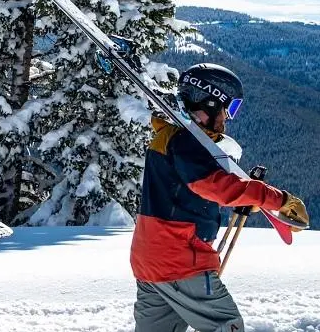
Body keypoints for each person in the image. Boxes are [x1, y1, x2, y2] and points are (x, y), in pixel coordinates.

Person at [131, 63, 309, 332]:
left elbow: (186, 193)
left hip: (149, 260)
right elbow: (216, 187)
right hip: (179, 261)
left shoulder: (170, 137)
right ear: (210, 102)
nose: (228, 117)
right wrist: (276, 199)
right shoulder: (185, 142)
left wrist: (245, 198)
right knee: (227, 326)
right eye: (229, 108)